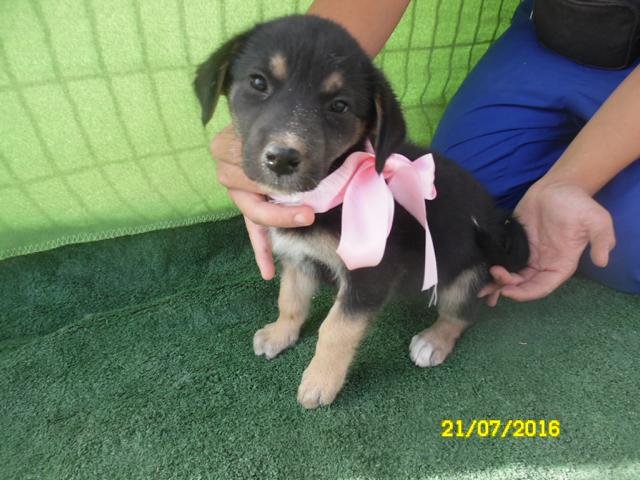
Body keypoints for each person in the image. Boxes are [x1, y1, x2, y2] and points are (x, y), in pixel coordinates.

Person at [210, 0, 640, 304]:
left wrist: (572, 179)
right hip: (560, 32)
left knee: (625, 251)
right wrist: (279, 100)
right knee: (450, 198)